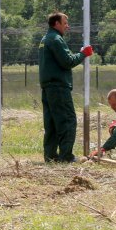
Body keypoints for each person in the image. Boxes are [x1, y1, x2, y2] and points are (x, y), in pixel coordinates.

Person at [38, 12, 93, 163]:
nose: (67, 26)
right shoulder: (56, 39)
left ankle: (50, 156)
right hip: (58, 87)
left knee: (52, 123)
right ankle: (66, 156)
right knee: (67, 121)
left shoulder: (45, 39)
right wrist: (83, 54)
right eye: (65, 23)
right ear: (56, 24)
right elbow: (67, 61)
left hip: (47, 87)